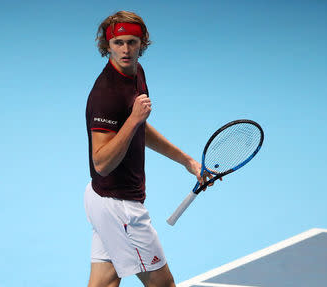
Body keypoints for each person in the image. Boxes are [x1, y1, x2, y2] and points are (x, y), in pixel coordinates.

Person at [84, 11, 213, 287]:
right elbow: (102, 163)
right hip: (120, 207)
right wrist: (133, 120)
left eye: (132, 42)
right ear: (107, 45)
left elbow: (140, 130)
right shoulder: (106, 94)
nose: (126, 50)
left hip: (103, 200)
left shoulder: (136, 73)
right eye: (118, 43)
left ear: (142, 43)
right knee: (163, 285)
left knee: (104, 282)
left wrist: (187, 161)